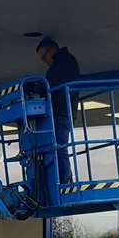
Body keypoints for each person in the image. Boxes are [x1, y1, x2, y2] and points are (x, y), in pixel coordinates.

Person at [34, 35, 81, 186]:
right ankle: (62, 180)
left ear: (52, 50)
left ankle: (65, 183)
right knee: (57, 148)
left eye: (43, 56)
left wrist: (37, 87)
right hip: (60, 111)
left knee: (59, 148)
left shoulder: (64, 63)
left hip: (61, 111)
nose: (43, 61)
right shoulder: (63, 63)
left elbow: (53, 84)